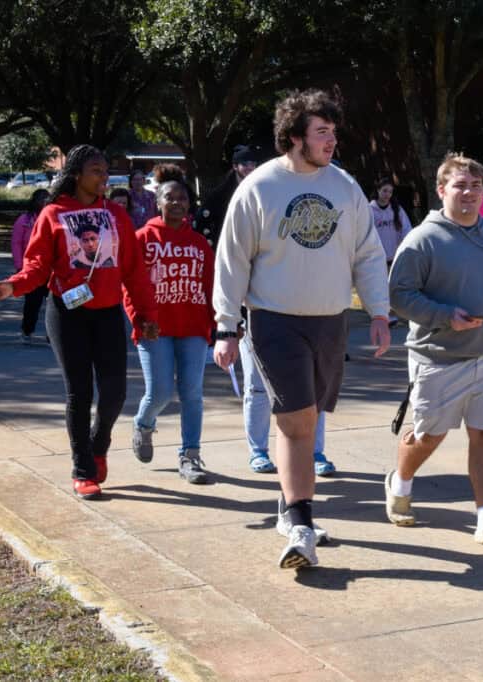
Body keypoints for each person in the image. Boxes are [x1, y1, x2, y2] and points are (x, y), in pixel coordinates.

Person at [212, 89, 390, 569]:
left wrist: (378, 312)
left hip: (331, 321)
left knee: (307, 418)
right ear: (294, 138)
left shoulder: (345, 186)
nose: (332, 140)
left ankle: (289, 509)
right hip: (274, 320)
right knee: (297, 423)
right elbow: (232, 259)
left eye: (333, 131)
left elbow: (368, 254)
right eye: (321, 132)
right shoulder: (260, 187)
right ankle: (301, 525)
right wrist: (226, 326)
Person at [0, 144, 159, 500]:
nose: (104, 176)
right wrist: (12, 285)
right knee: (79, 393)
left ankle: (99, 444)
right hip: (67, 314)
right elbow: (37, 267)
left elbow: (134, 272)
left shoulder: (116, 215)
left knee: (115, 392)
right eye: (96, 170)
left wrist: (144, 315)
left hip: (108, 313)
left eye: (105, 170)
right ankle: (83, 470)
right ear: (76, 174)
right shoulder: (54, 213)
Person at [386, 152, 483, 551]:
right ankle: (400, 482)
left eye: (475, 186)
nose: (468, 193)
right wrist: (446, 316)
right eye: (460, 186)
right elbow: (399, 295)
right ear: (441, 190)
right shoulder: (422, 240)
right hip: (437, 359)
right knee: (427, 436)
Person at [126, 180, 214, 484]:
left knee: (192, 393)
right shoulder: (142, 239)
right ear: (157, 202)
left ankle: (190, 456)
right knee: (161, 392)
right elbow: (130, 285)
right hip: (154, 329)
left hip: (193, 326)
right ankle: (143, 424)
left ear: (189, 204)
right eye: (169, 198)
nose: (176, 203)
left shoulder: (200, 244)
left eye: (182, 198)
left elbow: (211, 285)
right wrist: (139, 319)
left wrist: (219, 323)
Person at [239, 335, 335, 478]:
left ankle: (314, 453)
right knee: (258, 390)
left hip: (309, 324)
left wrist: (377, 315)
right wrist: (227, 329)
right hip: (256, 322)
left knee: (313, 389)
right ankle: (258, 452)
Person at [196, 145, 262, 249]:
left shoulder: (260, 189)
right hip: (225, 245)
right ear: (235, 166)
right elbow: (202, 222)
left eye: (253, 164)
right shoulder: (220, 193)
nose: (249, 167)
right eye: (245, 164)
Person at [369, 176, 413, 326]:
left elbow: (406, 230)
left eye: (390, 192)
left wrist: (406, 246)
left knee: (394, 286)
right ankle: (384, 315)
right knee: (380, 288)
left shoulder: (396, 210)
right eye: (385, 191)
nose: (387, 194)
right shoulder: (369, 210)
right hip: (376, 256)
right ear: (378, 191)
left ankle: (395, 314)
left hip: (393, 256)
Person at [11, 189, 51, 344]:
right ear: (34, 201)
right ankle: (27, 330)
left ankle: (52, 334)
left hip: (51, 269)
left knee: (54, 303)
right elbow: (16, 243)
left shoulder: (53, 218)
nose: (44, 202)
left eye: (47, 199)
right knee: (32, 303)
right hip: (32, 268)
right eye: (41, 199)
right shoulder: (24, 220)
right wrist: (19, 265)